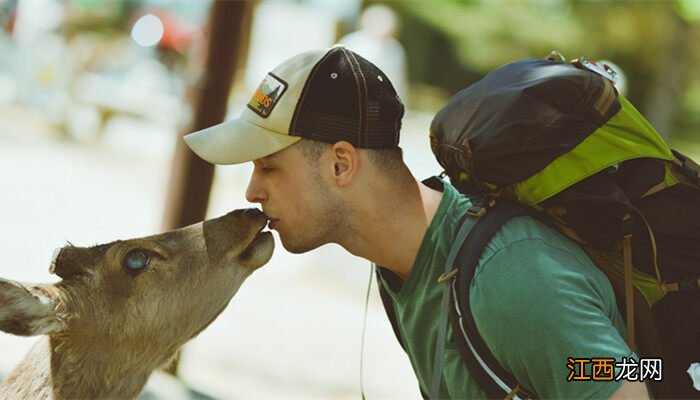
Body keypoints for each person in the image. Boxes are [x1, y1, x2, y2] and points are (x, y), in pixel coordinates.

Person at [184, 45, 649, 399]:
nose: (252, 192)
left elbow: (628, 373)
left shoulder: (510, 275)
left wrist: (617, 365)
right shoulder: (399, 260)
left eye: (268, 167)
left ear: (341, 165)